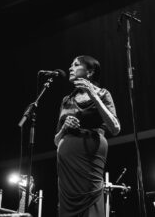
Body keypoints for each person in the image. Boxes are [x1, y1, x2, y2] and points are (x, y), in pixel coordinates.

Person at [54, 55, 120, 217]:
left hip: (89, 157)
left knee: (90, 205)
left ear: (89, 72)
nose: (70, 68)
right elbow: (56, 140)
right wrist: (64, 129)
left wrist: (94, 95)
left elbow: (115, 128)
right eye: (70, 65)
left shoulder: (103, 94)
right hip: (66, 168)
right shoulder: (66, 100)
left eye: (76, 65)